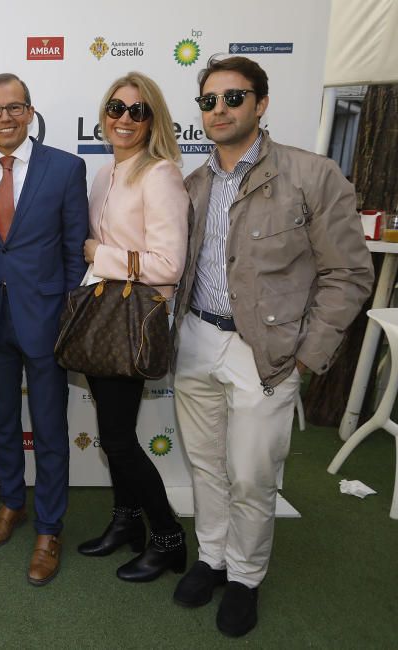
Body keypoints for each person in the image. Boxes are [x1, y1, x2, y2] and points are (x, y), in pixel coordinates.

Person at [172, 55, 373, 637]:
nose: (219, 109)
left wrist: (310, 353)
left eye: (233, 98)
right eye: (209, 101)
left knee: (252, 473)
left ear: (261, 104)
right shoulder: (194, 183)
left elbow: (350, 274)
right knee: (206, 464)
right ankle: (211, 559)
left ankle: (245, 576)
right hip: (195, 340)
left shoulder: (312, 175)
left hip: (265, 351)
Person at [0, 73, 87, 585]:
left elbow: (74, 250)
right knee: (1, 423)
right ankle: (11, 503)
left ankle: (49, 528)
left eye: (14, 107)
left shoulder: (65, 167)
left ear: (31, 111)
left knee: (51, 429)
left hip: (45, 323)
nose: (5, 118)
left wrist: (62, 315)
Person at [77, 72, 189, 582]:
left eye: (137, 111)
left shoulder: (160, 173)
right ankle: (126, 524)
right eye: (116, 108)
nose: (124, 118)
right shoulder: (104, 175)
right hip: (104, 320)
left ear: (152, 120)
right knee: (111, 434)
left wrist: (102, 254)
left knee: (119, 440)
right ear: (104, 115)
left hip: (134, 324)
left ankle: (167, 537)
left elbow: (168, 264)